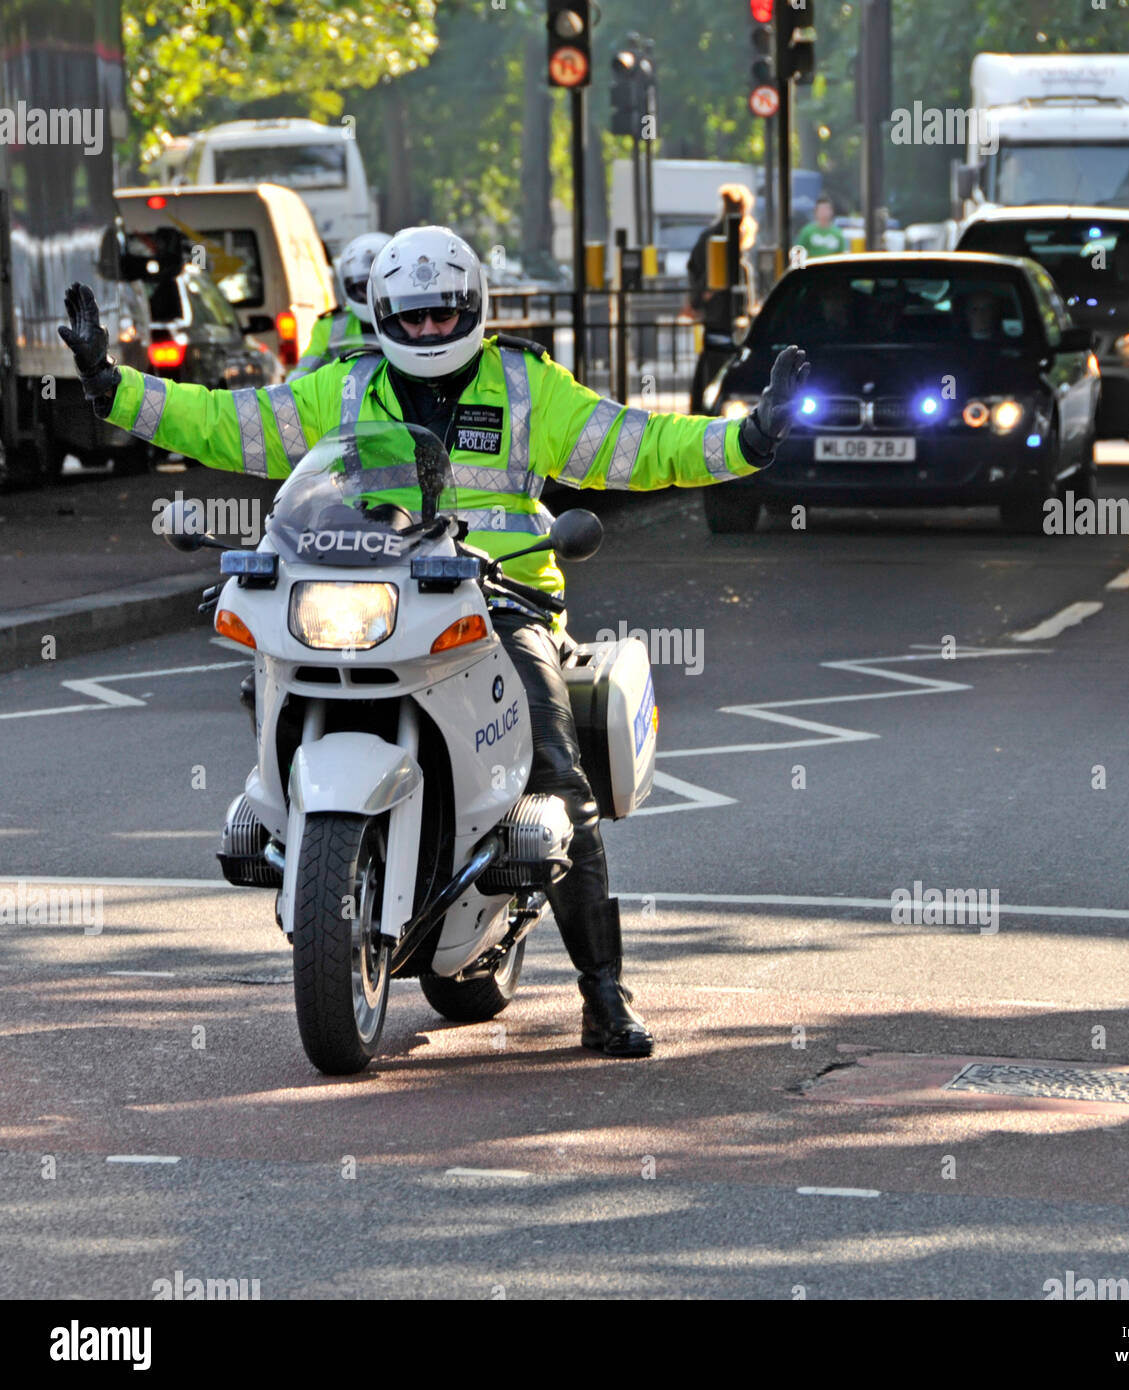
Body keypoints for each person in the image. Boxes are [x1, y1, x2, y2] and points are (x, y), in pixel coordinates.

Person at [59, 225, 809, 1060]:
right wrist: (109, 383)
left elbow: (637, 443)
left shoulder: (526, 386)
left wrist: (749, 437)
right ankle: (291, 835)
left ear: (473, 309)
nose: (424, 331)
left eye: (441, 314)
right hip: (372, 595)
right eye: (409, 317)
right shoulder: (340, 389)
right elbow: (227, 423)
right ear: (382, 315)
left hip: (501, 603)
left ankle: (604, 994)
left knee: (561, 778)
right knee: (266, 674)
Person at [686, 184, 758, 411]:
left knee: (709, 378)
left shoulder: (713, 236)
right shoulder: (725, 238)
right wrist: (705, 292)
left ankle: (703, 414)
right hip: (726, 322)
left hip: (718, 321)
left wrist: (700, 296)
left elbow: (694, 268)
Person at [290, 231, 390, 379]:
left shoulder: (417, 319)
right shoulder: (331, 326)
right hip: (345, 396)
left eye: (379, 286)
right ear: (348, 286)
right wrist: (289, 388)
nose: (371, 295)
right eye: (363, 287)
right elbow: (305, 371)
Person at [794, 196, 848, 261]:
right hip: (812, 269)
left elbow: (842, 256)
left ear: (831, 212)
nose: (824, 212)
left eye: (826, 209)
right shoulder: (807, 231)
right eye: (821, 209)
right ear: (816, 212)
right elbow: (798, 253)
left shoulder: (838, 233)